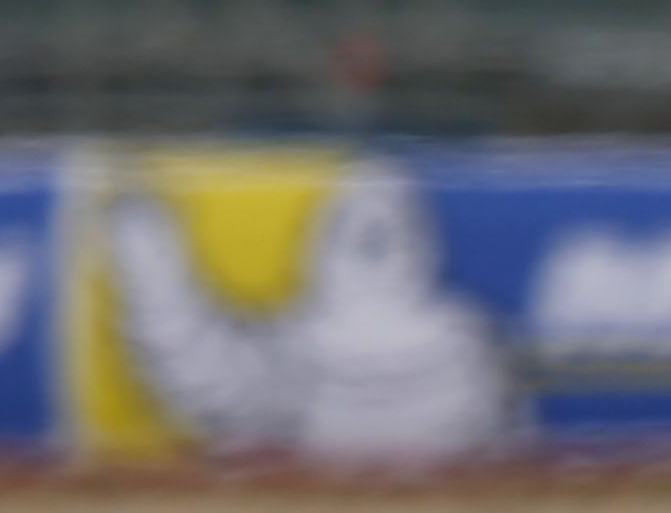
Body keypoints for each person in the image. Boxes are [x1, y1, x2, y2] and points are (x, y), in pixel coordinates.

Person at [104, 157, 513, 465]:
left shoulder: (468, 350)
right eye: (352, 226)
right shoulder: (290, 351)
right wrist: (149, 259)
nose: (374, 237)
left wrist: (147, 258)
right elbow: (201, 373)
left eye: (392, 227)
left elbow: (504, 460)